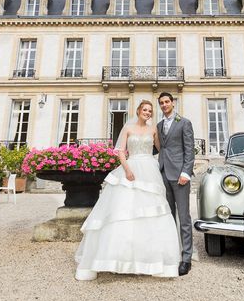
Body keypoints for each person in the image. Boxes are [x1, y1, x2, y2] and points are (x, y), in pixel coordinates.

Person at [75, 100, 180, 281]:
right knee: (121, 212)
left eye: (150, 111)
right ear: (138, 111)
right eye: (144, 110)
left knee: (151, 213)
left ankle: (150, 260)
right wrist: (128, 170)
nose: (147, 112)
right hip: (130, 168)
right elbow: (120, 151)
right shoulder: (128, 128)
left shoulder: (153, 129)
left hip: (149, 169)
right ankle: (115, 259)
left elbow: (161, 149)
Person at [157, 91, 195, 276]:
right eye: (161, 103)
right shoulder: (158, 125)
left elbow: (189, 150)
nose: (164, 105)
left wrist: (186, 172)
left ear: (172, 103)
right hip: (163, 173)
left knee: (184, 217)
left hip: (180, 176)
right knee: (168, 216)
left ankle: (186, 258)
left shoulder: (184, 122)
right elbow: (160, 148)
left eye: (167, 102)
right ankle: (172, 253)